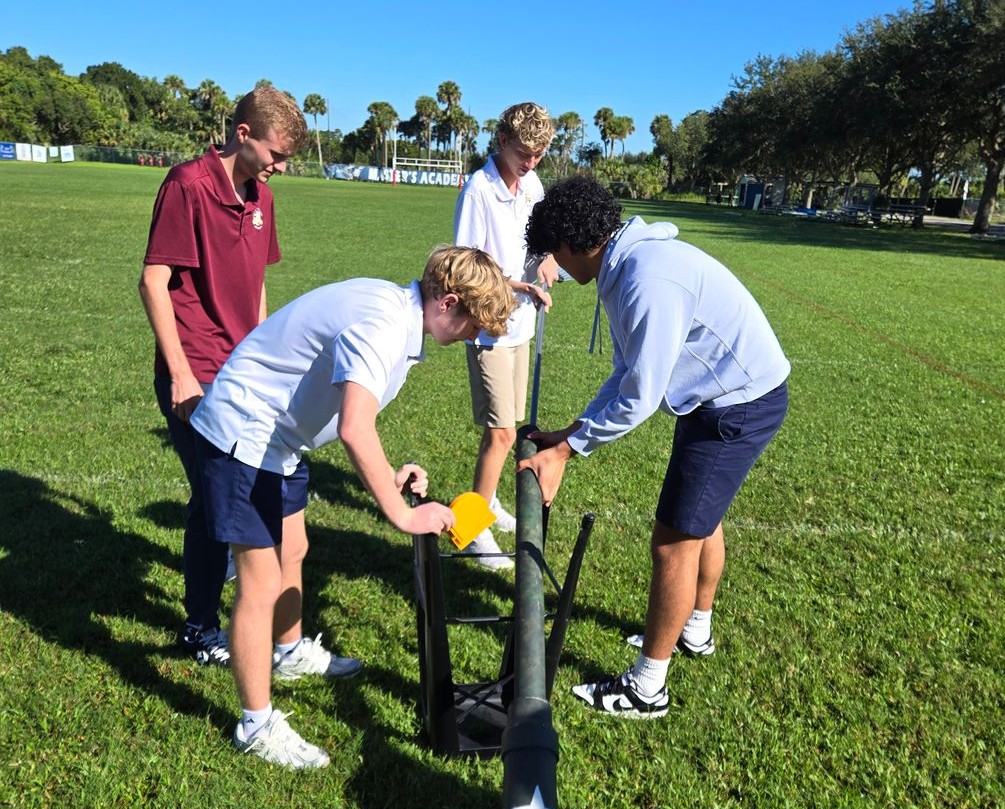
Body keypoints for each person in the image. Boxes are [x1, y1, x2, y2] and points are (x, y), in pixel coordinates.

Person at [189, 246, 515, 767]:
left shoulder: (397, 315)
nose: (472, 338)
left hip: (279, 442)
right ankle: (254, 725)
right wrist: (403, 515)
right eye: (473, 326)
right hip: (243, 434)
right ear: (449, 302)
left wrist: (389, 477)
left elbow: (353, 416)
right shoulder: (384, 325)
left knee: (294, 548)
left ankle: (289, 651)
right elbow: (354, 428)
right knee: (260, 581)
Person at [519, 177, 790, 718]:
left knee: (673, 543)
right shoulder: (626, 265)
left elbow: (640, 396)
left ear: (571, 244)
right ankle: (695, 630)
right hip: (722, 397)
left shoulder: (645, 278)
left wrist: (568, 453)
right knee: (701, 519)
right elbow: (627, 371)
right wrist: (571, 432)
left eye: (552, 254)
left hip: (737, 404)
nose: (556, 268)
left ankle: (647, 689)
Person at [139, 86, 309, 668]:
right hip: (197, 371)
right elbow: (153, 281)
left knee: (230, 494)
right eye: (276, 154)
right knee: (215, 499)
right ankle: (200, 627)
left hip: (244, 371)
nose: (280, 167)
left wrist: (269, 361)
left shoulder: (263, 196)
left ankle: (244, 604)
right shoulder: (187, 184)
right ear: (243, 135)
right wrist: (180, 375)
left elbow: (257, 286)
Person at [453, 102, 559, 569]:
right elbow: (463, 267)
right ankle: (473, 530)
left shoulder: (532, 185)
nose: (531, 162)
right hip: (488, 327)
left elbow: (537, 243)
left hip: (522, 326)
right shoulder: (478, 189)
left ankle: (489, 501)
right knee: (500, 434)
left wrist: (546, 259)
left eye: (538, 154)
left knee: (508, 428)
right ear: (501, 142)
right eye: (523, 153)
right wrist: (518, 285)